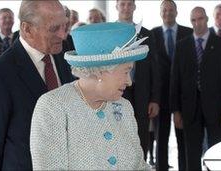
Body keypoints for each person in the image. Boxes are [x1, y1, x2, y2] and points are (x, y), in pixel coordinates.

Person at [30, 22, 150, 170]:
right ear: (100, 71)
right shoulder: (53, 106)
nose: (129, 81)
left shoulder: (124, 107)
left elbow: (139, 166)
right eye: (126, 72)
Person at [0, 1, 74, 170]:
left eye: (65, 26)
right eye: (53, 29)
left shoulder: (63, 55)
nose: (63, 35)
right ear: (27, 29)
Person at [170, 7, 221, 171]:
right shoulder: (182, 46)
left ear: (207, 19)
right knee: (191, 154)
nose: (197, 23)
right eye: (193, 20)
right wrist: (176, 111)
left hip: (217, 109)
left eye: (200, 19)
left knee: (217, 153)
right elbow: (175, 80)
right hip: (189, 109)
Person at [116, 0, 160, 160]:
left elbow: (155, 69)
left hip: (142, 94)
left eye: (129, 4)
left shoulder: (147, 34)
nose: (126, 7)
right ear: (117, 6)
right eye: (123, 4)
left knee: (142, 137)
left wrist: (155, 99)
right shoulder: (109, 33)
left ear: (134, 7)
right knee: (120, 136)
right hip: (116, 93)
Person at [151, 0, 192, 170]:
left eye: (171, 10)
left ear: (176, 12)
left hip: (183, 96)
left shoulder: (188, 33)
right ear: (160, 13)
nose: (168, 13)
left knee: (184, 139)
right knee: (161, 139)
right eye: (164, 10)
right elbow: (151, 67)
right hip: (159, 97)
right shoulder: (152, 34)